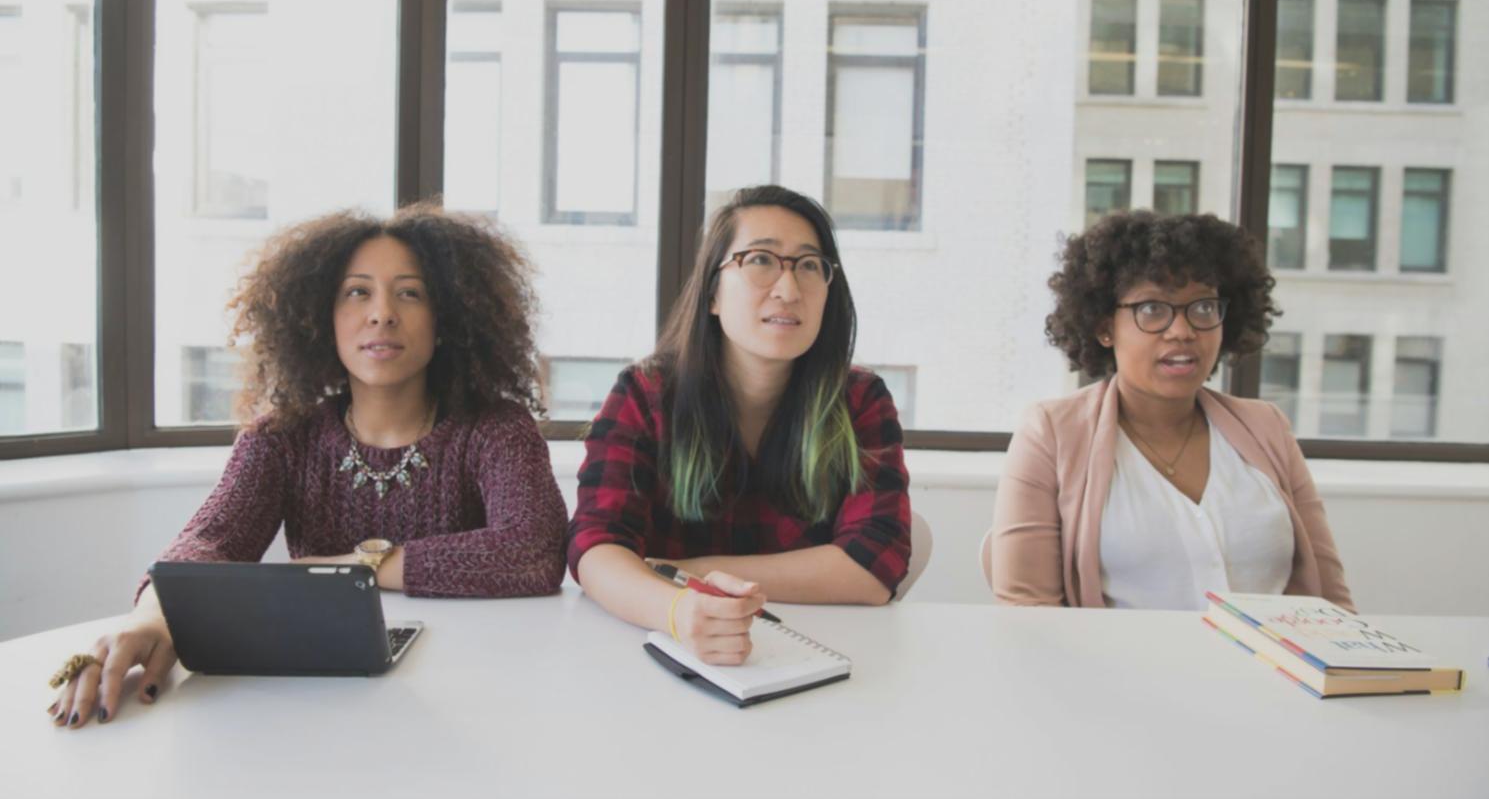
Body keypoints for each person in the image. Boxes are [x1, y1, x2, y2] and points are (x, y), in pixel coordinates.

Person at [47, 203, 568, 729]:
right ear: (321, 316)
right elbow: (210, 541)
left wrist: (353, 569)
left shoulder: (497, 428)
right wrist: (151, 619)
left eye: (410, 293)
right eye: (357, 292)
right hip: (318, 700)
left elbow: (535, 548)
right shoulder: (282, 438)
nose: (382, 312)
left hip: (472, 695)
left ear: (448, 318)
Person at [568, 185, 911, 665]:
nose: (788, 290)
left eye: (810, 265)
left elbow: (874, 567)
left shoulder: (858, 400)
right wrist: (679, 611)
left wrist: (695, 573)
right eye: (760, 260)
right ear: (712, 291)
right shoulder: (645, 394)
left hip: (811, 660)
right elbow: (596, 548)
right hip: (658, 654)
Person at [991, 210, 1352, 611]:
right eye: (1152, 309)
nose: (1183, 331)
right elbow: (1028, 613)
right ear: (1104, 326)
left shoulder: (1266, 427)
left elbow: (1332, 602)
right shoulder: (1051, 434)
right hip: (1115, 673)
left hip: (1266, 673)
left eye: (1202, 308)